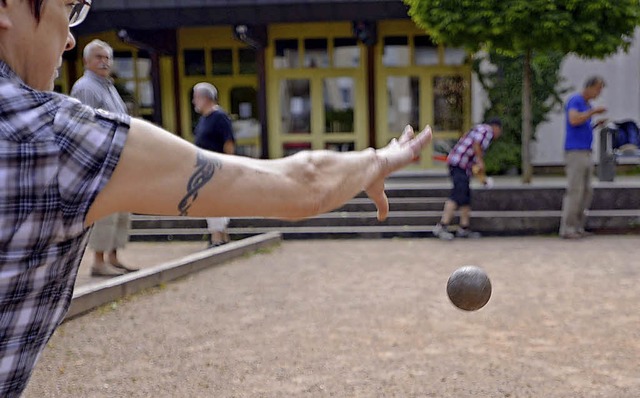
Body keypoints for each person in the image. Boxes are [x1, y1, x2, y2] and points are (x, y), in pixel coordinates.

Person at [0, 1, 431, 396]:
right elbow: (303, 186)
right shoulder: (49, 135)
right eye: (65, 6)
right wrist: (375, 161)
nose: (71, 36)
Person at [70, 39, 137, 276]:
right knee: (106, 211)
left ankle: (113, 256)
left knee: (120, 211)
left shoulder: (109, 86)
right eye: (98, 57)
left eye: (107, 57)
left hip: (119, 159)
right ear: (86, 61)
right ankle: (98, 261)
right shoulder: (86, 87)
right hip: (101, 160)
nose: (104, 62)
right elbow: (85, 127)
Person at [433, 119, 502, 240]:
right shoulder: (487, 131)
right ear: (496, 127)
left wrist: (482, 177)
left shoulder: (480, 129)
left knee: (465, 197)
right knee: (457, 195)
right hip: (459, 164)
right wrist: (481, 161)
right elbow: (476, 144)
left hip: (461, 166)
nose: (499, 134)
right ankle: (442, 226)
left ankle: (464, 228)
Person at [559, 76, 607, 239]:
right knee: (575, 190)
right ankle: (568, 227)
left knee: (587, 191)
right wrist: (593, 112)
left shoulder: (587, 106)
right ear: (590, 87)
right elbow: (573, 119)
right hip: (575, 152)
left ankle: (579, 226)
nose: (599, 93)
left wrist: (595, 124)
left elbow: (582, 125)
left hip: (586, 150)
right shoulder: (576, 101)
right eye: (598, 89)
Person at [192, 82, 235, 247]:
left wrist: (227, 166)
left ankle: (217, 238)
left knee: (214, 202)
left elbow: (228, 142)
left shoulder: (219, 117)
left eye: (196, 98)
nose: (194, 102)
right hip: (204, 168)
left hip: (217, 167)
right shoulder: (204, 119)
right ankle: (222, 237)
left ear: (205, 98)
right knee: (211, 202)